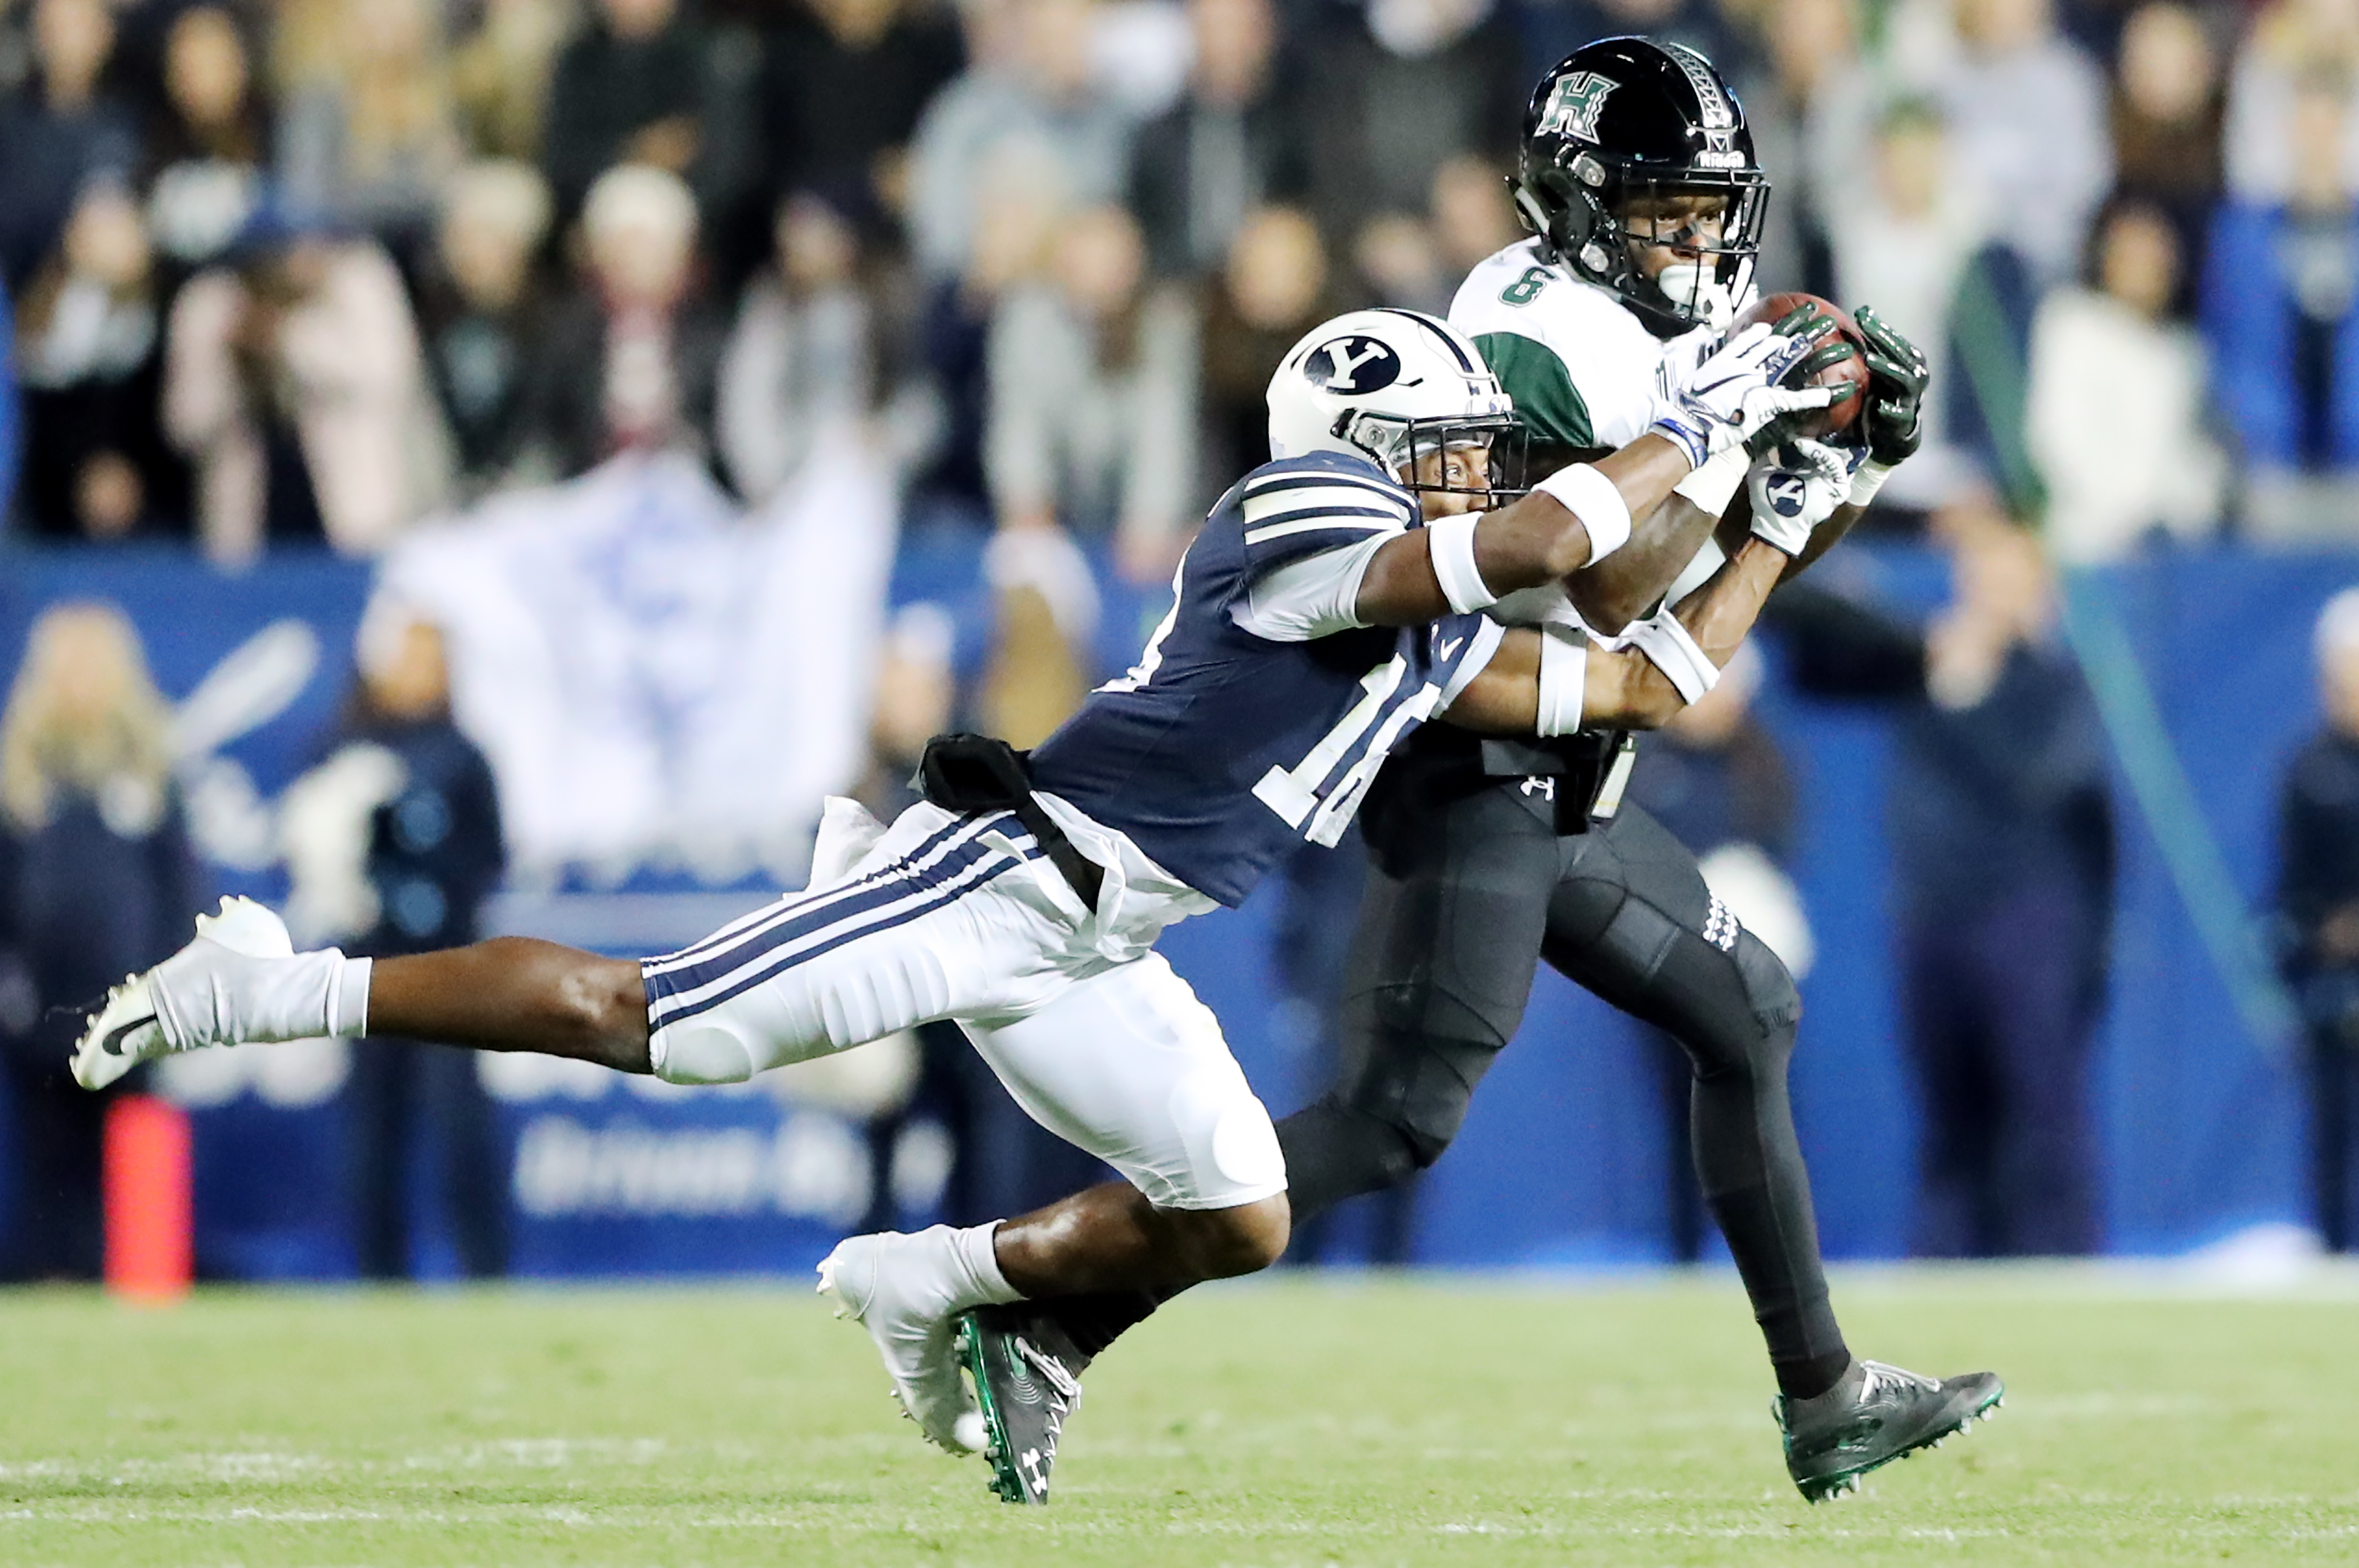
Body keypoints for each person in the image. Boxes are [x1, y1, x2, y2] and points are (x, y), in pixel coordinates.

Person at [77, 299, 1838, 1466]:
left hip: (1102, 938)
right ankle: (271, 978)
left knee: (1239, 1208)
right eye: (1448, 443)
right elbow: (1545, 539)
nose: (1480, 472)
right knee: (659, 1021)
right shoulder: (1294, 518)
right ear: (1363, 439)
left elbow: (1641, 681)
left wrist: (1783, 510)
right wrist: (1687, 418)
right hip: (1004, 876)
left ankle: (935, 1282)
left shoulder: (1427, 625)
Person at [955, 36, 2000, 1509]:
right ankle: (1045, 1315)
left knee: (1747, 1009)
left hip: (1564, 761)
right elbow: (1612, 593)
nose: (1699, 244)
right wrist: (1738, 452)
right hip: (1479, 745)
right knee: (1391, 1117)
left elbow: (1706, 575)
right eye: (1665, 211)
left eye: (1712, 212)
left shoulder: (1645, 332)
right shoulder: (1530, 327)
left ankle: (1824, 1394)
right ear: (1580, 203)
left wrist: (1825, 484)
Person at [286, 603, 510, 1280]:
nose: (419, 672)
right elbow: (305, 848)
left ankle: (484, 1268)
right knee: (371, 1125)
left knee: (459, 1120)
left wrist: (432, 893)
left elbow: (489, 855)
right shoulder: (338, 748)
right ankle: (378, 1273)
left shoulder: (463, 753)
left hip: (449, 969)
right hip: (366, 972)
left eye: (433, 657)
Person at [0, 603, 198, 1280]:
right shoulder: (20, 772)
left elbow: (180, 885)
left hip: (132, 997)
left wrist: (178, 978)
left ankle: (137, 1277)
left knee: (132, 1141)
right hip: (41, 1003)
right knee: (51, 1153)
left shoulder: (150, 767)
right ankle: (57, 1275)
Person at [2028, 196, 2226, 562]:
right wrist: (2132, 511)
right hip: (2088, 545)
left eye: (2156, 259)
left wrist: (2187, 507)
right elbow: (2056, 439)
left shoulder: (2182, 352)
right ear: (2106, 259)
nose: (2146, 268)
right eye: (2133, 255)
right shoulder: (2071, 325)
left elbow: (2197, 458)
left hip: (2172, 550)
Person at [2278, 587, 2359, 1253]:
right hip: (2337, 985)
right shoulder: (2310, 771)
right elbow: (2293, 891)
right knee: (2332, 1127)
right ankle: (2333, 1253)